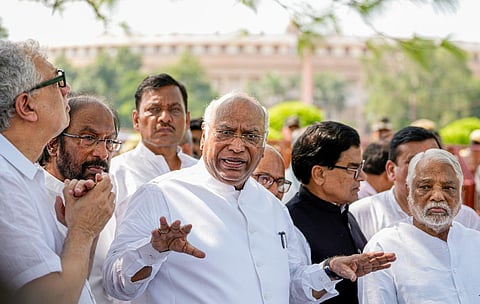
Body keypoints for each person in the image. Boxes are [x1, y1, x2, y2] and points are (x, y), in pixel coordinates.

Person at [103, 92, 396, 304]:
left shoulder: (272, 206)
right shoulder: (160, 195)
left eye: (251, 136)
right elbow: (117, 286)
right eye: (227, 132)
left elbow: (291, 288)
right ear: (204, 135)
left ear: (264, 141)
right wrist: (154, 250)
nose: (238, 146)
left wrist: (329, 271)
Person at [0, 39, 114, 303]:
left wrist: (77, 224)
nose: (67, 89)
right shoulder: (5, 182)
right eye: (57, 81)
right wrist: (83, 229)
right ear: (26, 106)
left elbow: (71, 282)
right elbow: (51, 298)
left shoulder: (26, 176)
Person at [358, 148, 480, 303]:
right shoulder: (383, 249)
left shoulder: (476, 242)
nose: (437, 196)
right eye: (425, 187)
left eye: (448, 188)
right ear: (409, 191)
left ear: (460, 193)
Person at [38, 95, 126, 304]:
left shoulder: (101, 199)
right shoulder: (30, 197)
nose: (102, 153)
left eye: (110, 141)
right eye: (88, 138)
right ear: (53, 143)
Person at [286, 121, 369, 304]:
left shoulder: (344, 212)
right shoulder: (290, 223)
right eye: (352, 169)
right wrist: (329, 270)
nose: (362, 177)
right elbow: (292, 292)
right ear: (319, 174)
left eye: (360, 167)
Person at [350, 126, 480, 240]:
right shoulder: (362, 214)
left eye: (433, 159)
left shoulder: (466, 219)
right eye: (413, 161)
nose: (426, 168)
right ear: (391, 170)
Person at [109, 73, 197, 224]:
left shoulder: (200, 173)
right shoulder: (116, 174)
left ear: (187, 120)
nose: (165, 118)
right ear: (136, 120)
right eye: (154, 109)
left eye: (174, 109)